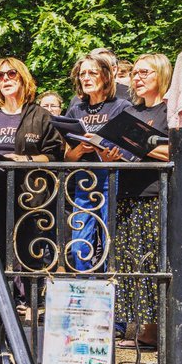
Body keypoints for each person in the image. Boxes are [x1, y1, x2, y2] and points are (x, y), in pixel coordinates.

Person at [0, 58, 64, 274]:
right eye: (0, 76)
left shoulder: (41, 116)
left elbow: (55, 155)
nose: (5, 79)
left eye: (11, 74)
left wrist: (25, 160)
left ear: (23, 78)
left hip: (30, 194)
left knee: (30, 249)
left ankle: (29, 304)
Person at [112, 53, 172, 350]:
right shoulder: (131, 113)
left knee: (152, 260)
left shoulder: (171, 111)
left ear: (161, 74)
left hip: (155, 195)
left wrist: (141, 144)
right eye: (134, 73)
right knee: (130, 261)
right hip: (127, 191)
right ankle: (139, 326)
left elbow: (176, 152)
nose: (137, 78)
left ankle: (154, 330)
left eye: (144, 72)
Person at [63, 53, 132, 272]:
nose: (86, 77)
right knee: (79, 246)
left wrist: (108, 155)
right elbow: (67, 157)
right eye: (82, 73)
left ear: (105, 76)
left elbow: (127, 149)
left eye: (92, 72)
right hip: (84, 180)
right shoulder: (76, 109)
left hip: (112, 178)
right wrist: (80, 149)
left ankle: (110, 293)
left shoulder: (121, 106)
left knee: (110, 241)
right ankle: (86, 290)